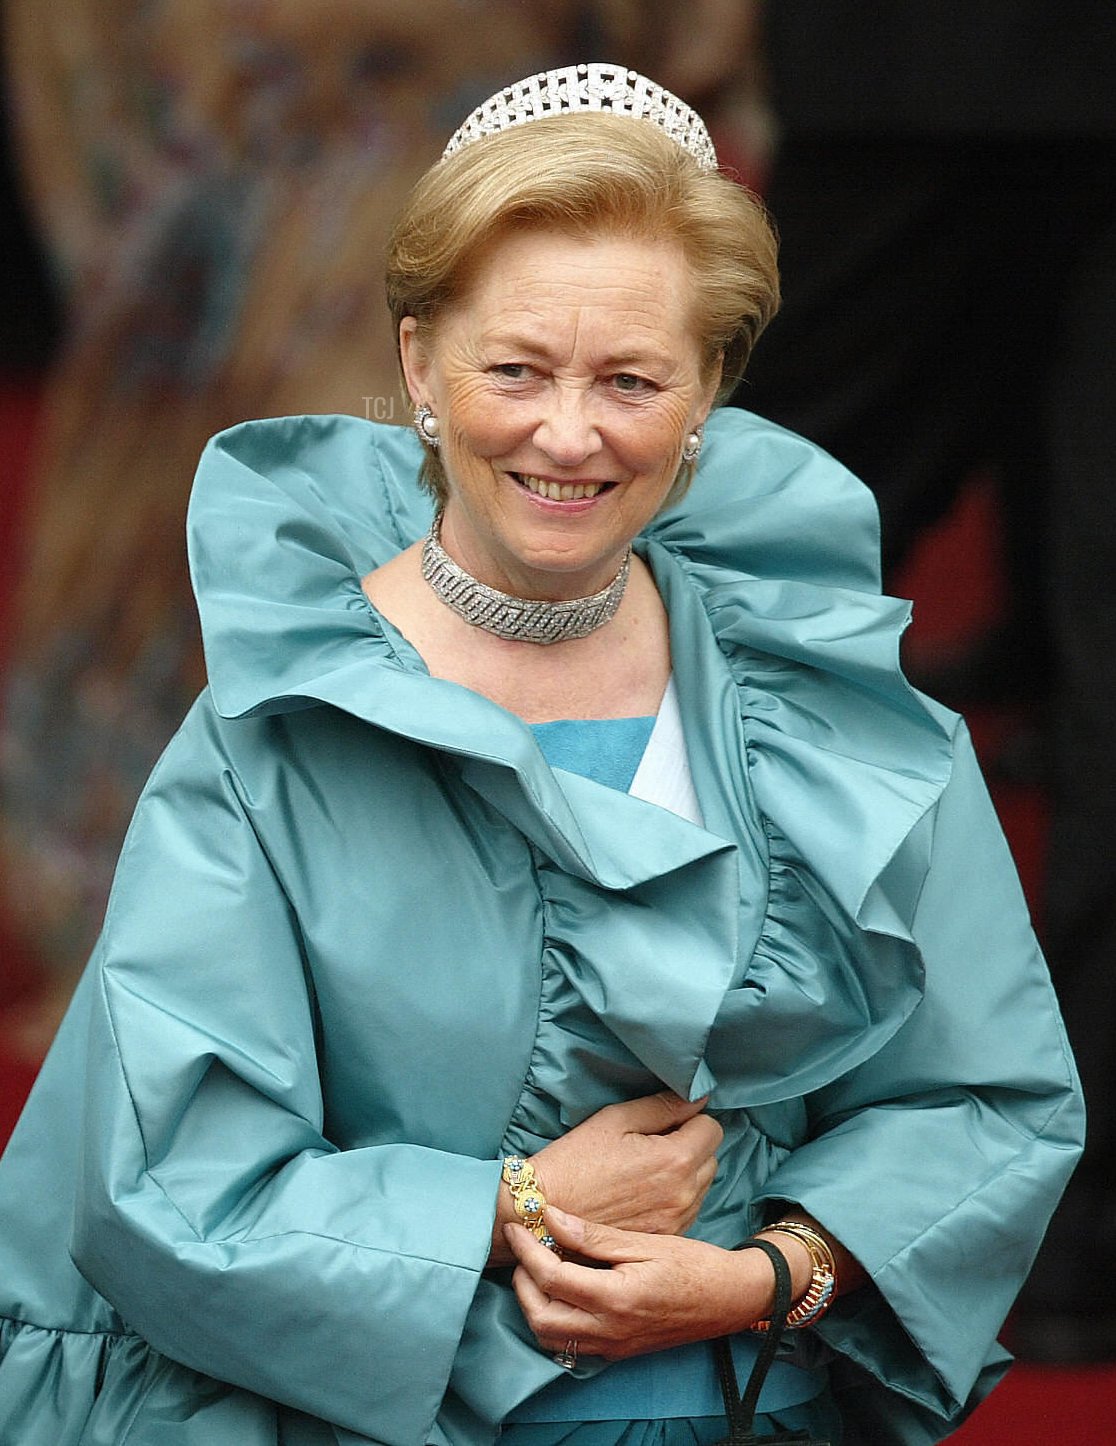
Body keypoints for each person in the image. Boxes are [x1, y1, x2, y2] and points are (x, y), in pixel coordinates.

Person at [0, 61, 1082, 1446]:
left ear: (706, 398)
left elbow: (986, 1099)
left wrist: (763, 1276)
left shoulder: (823, 708)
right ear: (420, 367)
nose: (568, 433)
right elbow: (162, 1185)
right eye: (515, 367)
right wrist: (509, 1210)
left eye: (631, 377)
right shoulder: (267, 744)